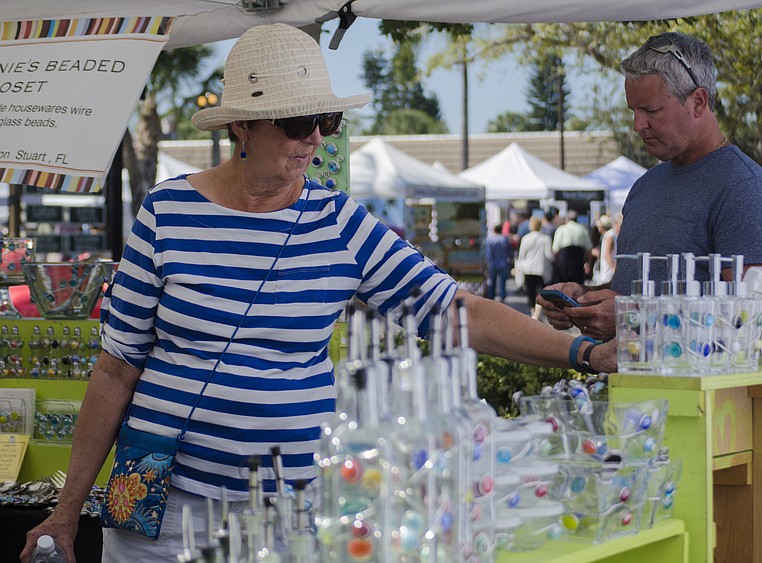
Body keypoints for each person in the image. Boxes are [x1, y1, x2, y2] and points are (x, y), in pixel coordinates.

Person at [21, 23, 617, 563]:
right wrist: (68, 508)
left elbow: (453, 312)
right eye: (297, 123)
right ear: (241, 126)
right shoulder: (166, 212)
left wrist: (583, 355)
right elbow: (116, 368)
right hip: (160, 503)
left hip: (287, 512)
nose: (315, 139)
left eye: (326, 123)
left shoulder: (340, 223)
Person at [539, 32, 762, 342]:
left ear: (698, 102)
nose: (637, 125)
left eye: (651, 111)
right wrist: (586, 299)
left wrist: (633, 318)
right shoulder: (646, 184)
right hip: (629, 382)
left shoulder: (743, 190)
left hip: (701, 389)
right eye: (633, 111)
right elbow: (634, 291)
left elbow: (753, 323)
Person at [516, 216, 554, 311]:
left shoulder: (525, 238)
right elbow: (549, 255)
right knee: (541, 292)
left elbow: (521, 255)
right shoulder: (546, 239)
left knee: (530, 292)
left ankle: (533, 312)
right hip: (541, 269)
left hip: (528, 269)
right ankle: (537, 313)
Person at [552, 209, 592, 284]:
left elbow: (555, 250)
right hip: (578, 261)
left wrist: (556, 263)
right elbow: (589, 250)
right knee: (577, 286)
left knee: (563, 286)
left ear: (567, 219)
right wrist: (588, 263)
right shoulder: (583, 229)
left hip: (564, 261)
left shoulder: (561, 229)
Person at [484, 223, 512, 301]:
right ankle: (502, 297)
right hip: (503, 262)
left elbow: (488, 253)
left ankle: (491, 297)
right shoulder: (505, 239)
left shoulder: (490, 240)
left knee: (492, 282)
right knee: (503, 283)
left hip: (493, 263)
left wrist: (487, 262)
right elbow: (509, 252)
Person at [595, 213, 621, 285]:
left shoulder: (615, 235)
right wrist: (614, 269)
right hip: (607, 274)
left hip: (609, 274)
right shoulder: (611, 235)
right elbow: (607, 254)